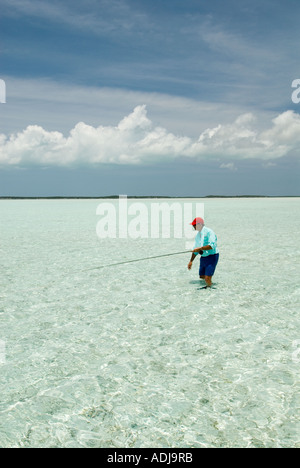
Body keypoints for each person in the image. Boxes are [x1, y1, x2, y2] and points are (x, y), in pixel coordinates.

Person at [187, 217, 219, 288]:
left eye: (194, 225)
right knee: (202, 276)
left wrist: (200, 248)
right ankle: (208, 284)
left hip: (212, 256)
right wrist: (191, 261)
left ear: (199, 225)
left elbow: (212, 245)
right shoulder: (198, 235)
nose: (193, 227)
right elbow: (195, 249)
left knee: (207, 278)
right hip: (203, 257)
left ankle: (209, 288)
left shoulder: (209, 232)